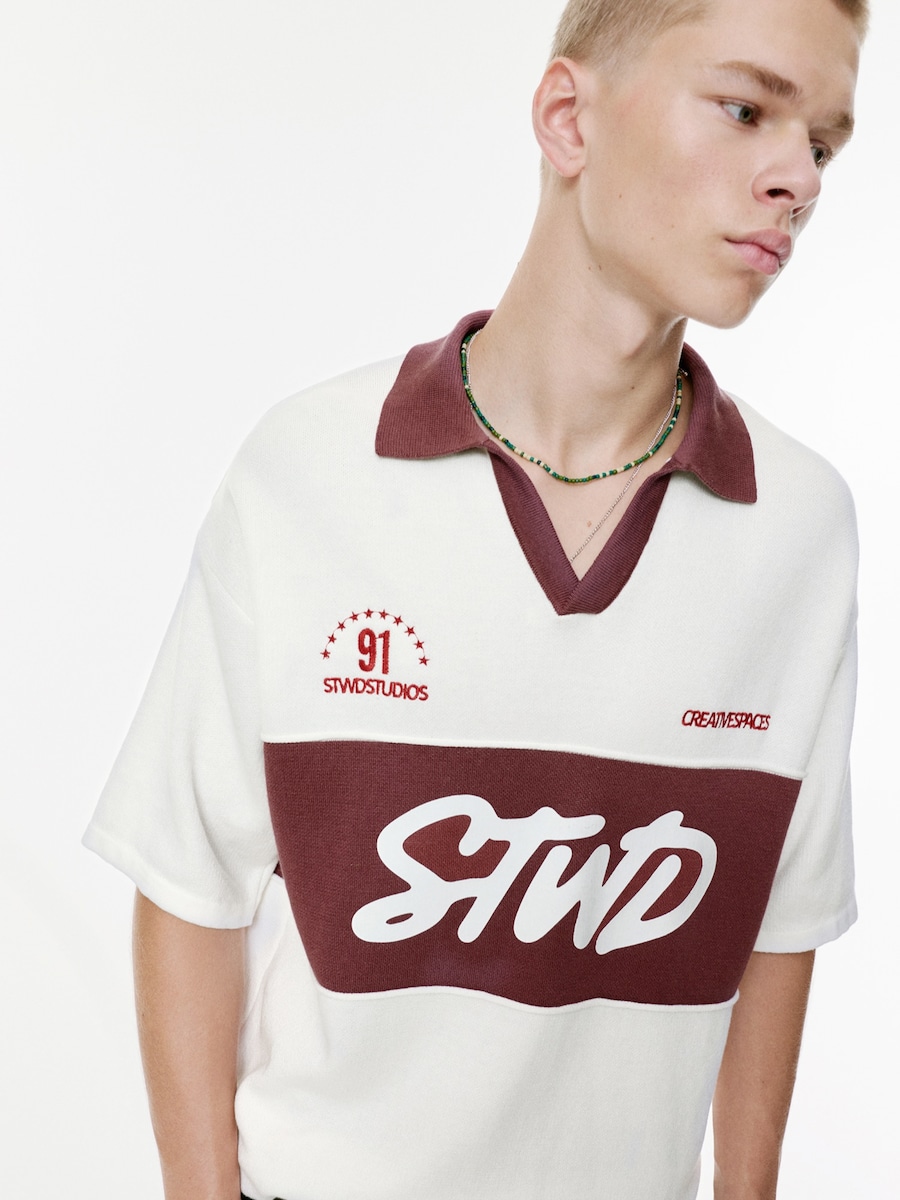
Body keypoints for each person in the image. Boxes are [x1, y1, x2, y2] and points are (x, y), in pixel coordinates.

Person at [84, 0, 867, 1197]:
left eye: (822, 143)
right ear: (569, 119)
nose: (796, 180)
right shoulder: (308, 473)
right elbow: (192, 887)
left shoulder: (799, 529)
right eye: (745, 108)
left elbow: (778, 925)